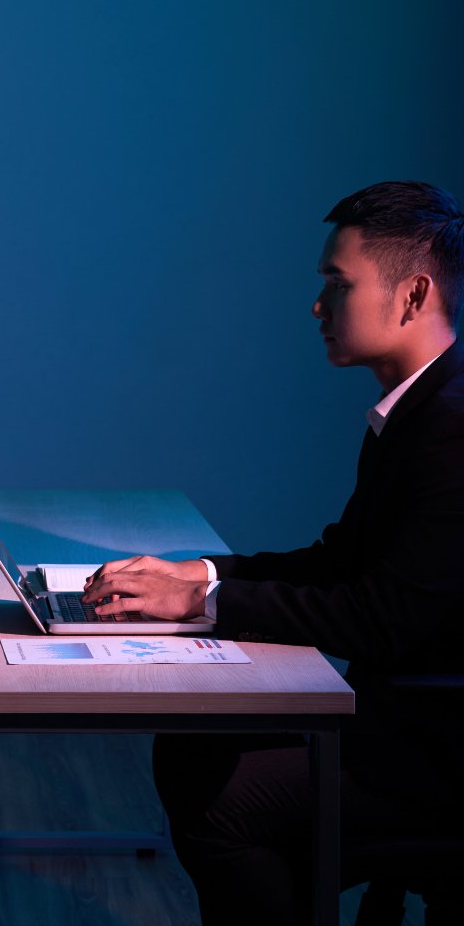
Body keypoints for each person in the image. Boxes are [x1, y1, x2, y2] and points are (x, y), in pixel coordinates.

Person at [82, 180, 464, 925]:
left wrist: (201, 604)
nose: (317, 307)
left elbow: (379, 620)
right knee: (191, 748)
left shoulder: (449, 429)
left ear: (413, 295)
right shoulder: (417, 411)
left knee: (219, 801)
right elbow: (338, 561)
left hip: (434, 755)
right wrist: (199, 573)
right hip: (405, 725)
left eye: (337, 285)